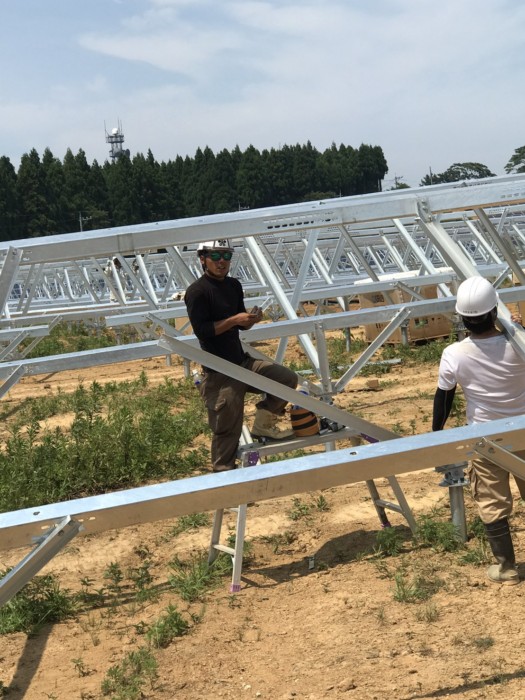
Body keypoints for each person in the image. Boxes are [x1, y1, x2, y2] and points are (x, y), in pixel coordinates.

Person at [432, 276, 525, 585]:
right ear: (494, 311)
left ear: (462, 317)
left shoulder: (455, 353)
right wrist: (518, 327)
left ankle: (507, 568)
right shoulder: (519, 343)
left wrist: (437, 433)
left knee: (491, 500)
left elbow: (443, 399)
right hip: (523, 430)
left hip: (486, 438)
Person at [185, 239, 298, 473]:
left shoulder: (233, 285)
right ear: (202, 259)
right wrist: (235, 320)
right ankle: (223, 474)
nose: (222, 262)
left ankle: (263, 425)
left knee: (286, 379)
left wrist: (249, 320)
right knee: (227, 429)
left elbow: (239, 325)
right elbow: (203, 331)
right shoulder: (197, 292)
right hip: (220, 372)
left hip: (242, 362)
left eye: (226, 256)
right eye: (216, 256)